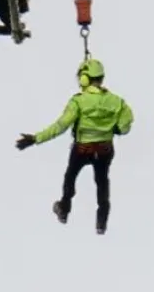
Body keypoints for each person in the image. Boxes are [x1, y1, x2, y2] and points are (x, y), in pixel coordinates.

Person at [15, 57, 134, 234]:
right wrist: (115, 129)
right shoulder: (117, 101)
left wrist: (36, 139)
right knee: (102, 182)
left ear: (84, 78)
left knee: (70, 177)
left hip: (82, 149)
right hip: (104, 149)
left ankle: (64, 208)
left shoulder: (78, 101)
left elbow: (60, 126)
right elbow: (126, 124)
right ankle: (101, 222)